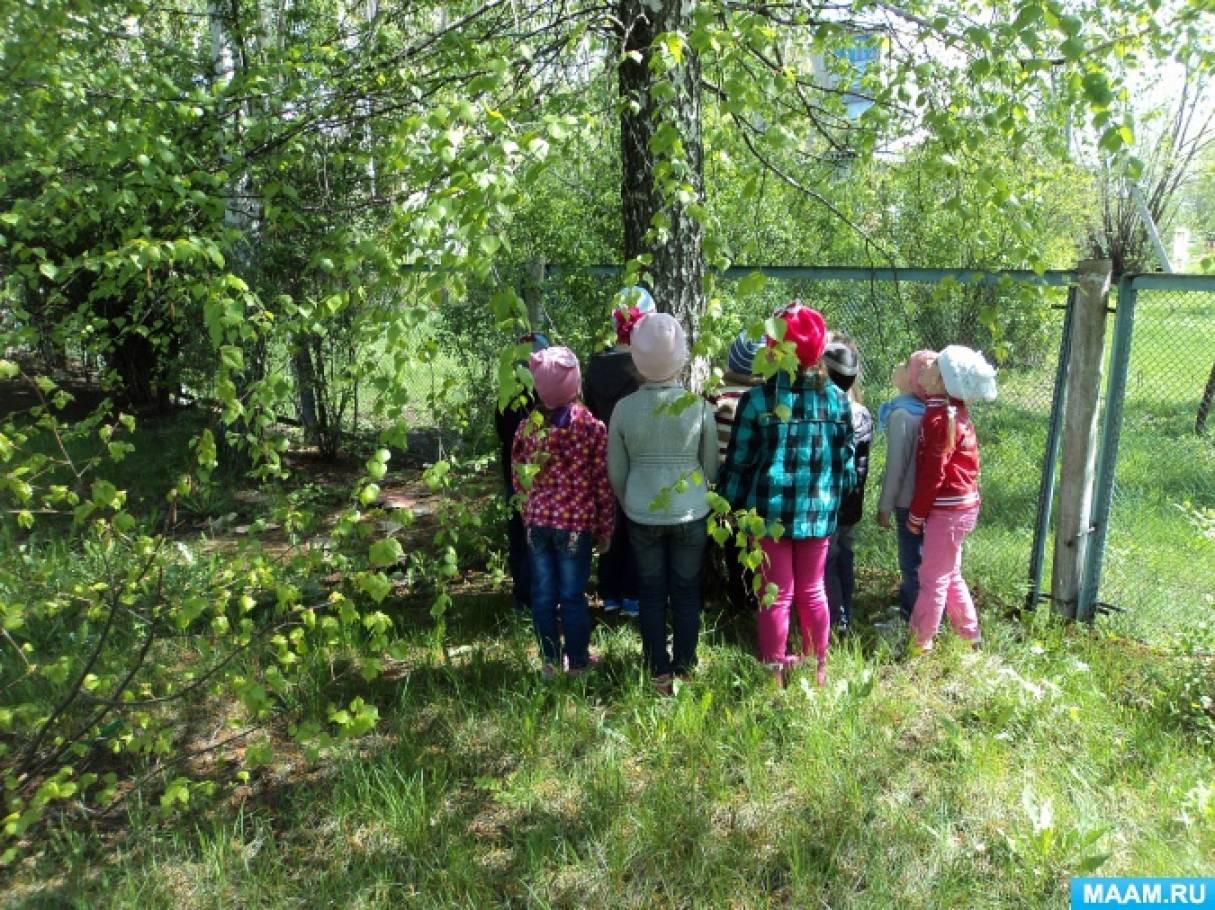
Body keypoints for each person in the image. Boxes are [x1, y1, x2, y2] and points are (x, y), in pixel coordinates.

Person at [718, 303, 855, 687]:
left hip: (768, 514)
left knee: (774, 595)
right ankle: (817, 669)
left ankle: (774, 673)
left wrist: (730, 503)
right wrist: (837, 497)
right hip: (818, 513)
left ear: (774, 349)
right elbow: (844, 459)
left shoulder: (757, 400)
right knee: (813, 591)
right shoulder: (836, 399)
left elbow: (740, 462)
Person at [608, 313, 719, 692]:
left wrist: (630, 501)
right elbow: (711, 468)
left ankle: (658, 669)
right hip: (692, 511)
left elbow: (616, 471)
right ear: (682, 357)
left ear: (635, 360)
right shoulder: (699, 407)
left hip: (642, 513)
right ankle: (685, 667)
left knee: (651, 591)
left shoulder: (623, 410)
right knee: (687, 591)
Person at [512, 346, 615, 677]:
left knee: (543, 593)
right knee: (572, 594)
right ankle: (579, 663)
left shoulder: (528, 428)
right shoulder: (590, 427)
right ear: (575, 384)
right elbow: (602, 482)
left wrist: (529, 512)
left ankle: (550, 662)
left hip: (538, 523)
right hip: (574, 525)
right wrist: (606, 527)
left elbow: (518, 477)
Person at [905, 345, 998, 654]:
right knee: (950, 572)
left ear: (943, 380)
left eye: (934, 366)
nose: (926, 367)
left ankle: (919, 642)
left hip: (947, 511)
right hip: (962, 507)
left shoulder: (938, 419)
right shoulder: (952, 412)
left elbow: (934, 474)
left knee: (931, 577)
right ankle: (969, 635)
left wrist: (916, 515)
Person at [584, 286, 655, 617]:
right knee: (637, 524)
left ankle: (609, 593)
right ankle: (633, 595)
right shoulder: (642, 369)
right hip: (638, 455)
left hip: (603, 453)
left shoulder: (595, 366)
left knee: (610, 524)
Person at [875, 350, 936, 628]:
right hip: (928, 502)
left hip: (906, 503)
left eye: (905, 366)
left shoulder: (901, 415)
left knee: (911, 561)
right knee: (923, 559)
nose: (897, 368)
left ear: (913, 381)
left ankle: (911, 618)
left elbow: (896, 467)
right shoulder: (927, 411)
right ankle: (911, 608)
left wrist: (884, 506)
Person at [708, 330, 764, 612]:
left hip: (721, 483)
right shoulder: (764, 398)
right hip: (755, 483)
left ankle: (731, 594)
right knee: (753, 543)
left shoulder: (715, 395)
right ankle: (752, 596)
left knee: (729, 541)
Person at [494, 331, 550, 613]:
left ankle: (525, 599)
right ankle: (538, 598)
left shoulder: (508, 394)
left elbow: (503, 435)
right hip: (540, 482)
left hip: (518, 480)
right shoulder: (550, 396)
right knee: (535, 543)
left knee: (522, 542)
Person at [821, 336, 872, 633]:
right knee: (844, 558)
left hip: (831, 503)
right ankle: (845, 613)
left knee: (827, 561)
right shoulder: (862, 411)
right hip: (852, 503)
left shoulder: (832, 413)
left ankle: (834, 618)